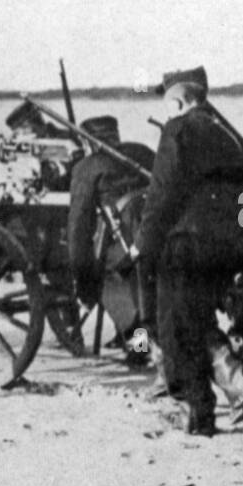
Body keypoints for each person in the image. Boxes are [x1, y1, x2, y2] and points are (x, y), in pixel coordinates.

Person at [116, 66, 243, 435]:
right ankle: (234, 391)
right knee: (200, 319)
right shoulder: (226, 135)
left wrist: (142, 247)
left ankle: (200, 414)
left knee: (176, 328)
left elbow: (161, 195)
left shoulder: (177, 130)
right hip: (225, 247)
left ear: (177, 101)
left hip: (185, 246)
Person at [65, 115, 155, 359]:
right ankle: (134, 339)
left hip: (125, 247)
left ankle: (139, 347)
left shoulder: (86, 168)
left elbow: (78, 229)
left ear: (88, 143)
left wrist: (82, 277)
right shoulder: (142, 152)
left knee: (105, 276)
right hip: (157, 236)